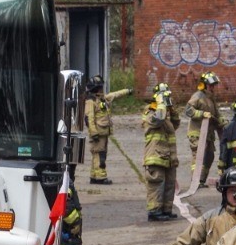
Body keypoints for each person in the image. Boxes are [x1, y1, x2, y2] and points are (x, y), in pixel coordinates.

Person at [85, 75, 133, 185]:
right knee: (99, 155)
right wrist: (94, 133)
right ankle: (101, 177)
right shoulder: (91, 102)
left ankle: (94, 176)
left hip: (103, 133)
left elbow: (116, 94)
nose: (102, 89)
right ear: (96, 88)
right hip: (98, 134)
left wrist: (128, 91)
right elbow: (89, 118)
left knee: (97, 154)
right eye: (100, 87)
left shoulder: (103, 99)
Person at [142, 87, 180, 222]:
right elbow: (158, 120)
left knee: (169, 185)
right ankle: (154, 212)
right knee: (156, 185)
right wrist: (161, 104)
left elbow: (176, 123)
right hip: (155, 157)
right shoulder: (150, 113)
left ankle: (166, 210)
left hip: (168, 158)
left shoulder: (166, 116)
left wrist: (172, 108)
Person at [184, 71, 225, 187]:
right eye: (211, 85)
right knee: (198, 156)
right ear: (204, 85)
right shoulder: (197, 96)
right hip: (197, 132)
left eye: (214, 85)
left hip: (208, 134)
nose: (213, 87)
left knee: (210, 156)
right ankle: (195, 180)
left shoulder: (211, 98)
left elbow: (217, 115)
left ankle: (201, 180)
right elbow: (188, 110)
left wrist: (223, 122)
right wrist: (201, 114)